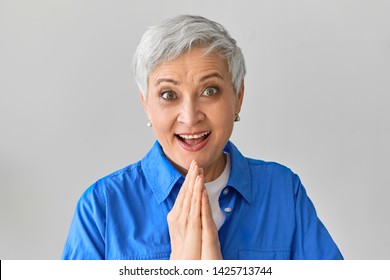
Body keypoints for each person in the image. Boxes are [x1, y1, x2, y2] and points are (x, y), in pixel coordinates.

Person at [61, 15, 343, 260]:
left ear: (239, 97)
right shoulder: (103, 207)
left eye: (210, 91)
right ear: (147, 104)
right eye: (168, 95)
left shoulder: (283, 191)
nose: (190, 115)